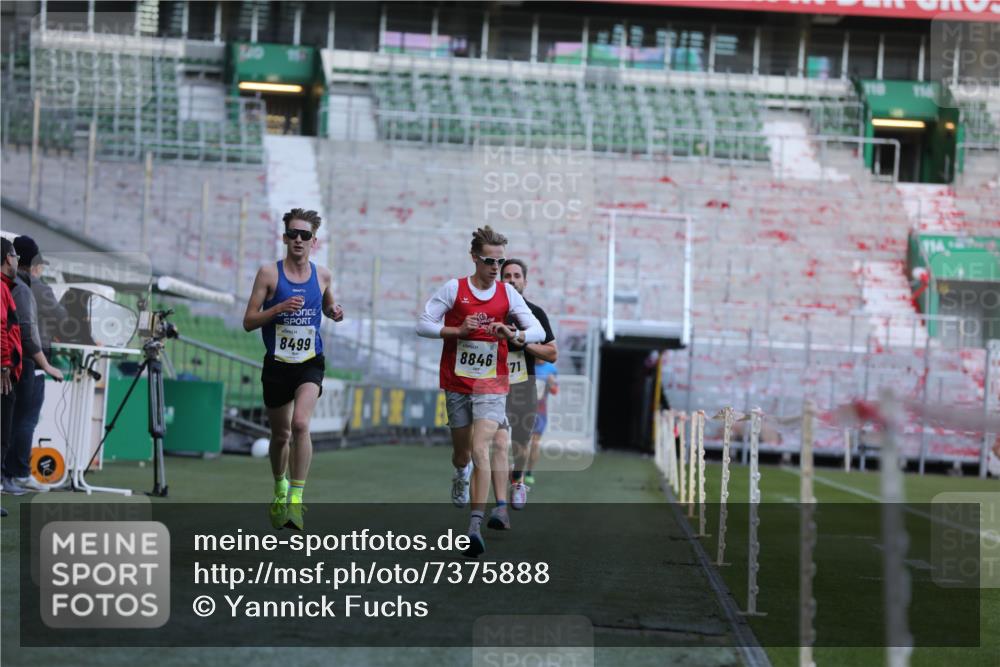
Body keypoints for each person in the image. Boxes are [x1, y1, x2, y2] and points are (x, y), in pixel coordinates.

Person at [416, 226, 544, 558]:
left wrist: (513, 334)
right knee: (462, 455)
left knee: (480, 448)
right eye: (489, 261)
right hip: (457, 383)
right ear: (474, 258)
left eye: (499, 261)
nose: (495, 267)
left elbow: (537, 330)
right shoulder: (454, 289)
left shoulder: (508, 294)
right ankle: (460, 474)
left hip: (492, 383)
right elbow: (423, 324)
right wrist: (456, 330)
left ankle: (474, 527)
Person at [243, 208, 344, 531]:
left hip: (309, 362)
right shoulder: (268, 274)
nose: (298, 239)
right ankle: (279, 487)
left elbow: (327, 305)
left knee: (300, 424)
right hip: (277, 364)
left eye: (305, 235)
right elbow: (249, 321)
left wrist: (334, 311)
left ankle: (296, 500)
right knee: (281, 435)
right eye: (293, 234)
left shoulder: (323, 275)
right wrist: (278, 308)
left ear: (314, 241)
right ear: (285, 238)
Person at [493, 258, 557, 517]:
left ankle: (517, 479)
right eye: (507, 276)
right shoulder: (490, 310)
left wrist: (521, 341)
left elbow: (552, 353)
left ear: (525, 282)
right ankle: (500, 507)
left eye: (516, 276)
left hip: (523, 386)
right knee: (498, 445)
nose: (511, 280)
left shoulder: (535, 314)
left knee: (521, 446)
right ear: (500, 281)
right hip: (494, 386)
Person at [2, 237, 63, 494]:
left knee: (11, 421)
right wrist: (46, 364)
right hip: (23, 362)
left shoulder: (12, 285)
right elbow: (26, 330)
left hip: (13, 362)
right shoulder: (26, 287)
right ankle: (14, 474)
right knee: (21, 421)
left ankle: (9, 475)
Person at [0, 238, 23, 513]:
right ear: (8, 257)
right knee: (2, 435)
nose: (17, 260)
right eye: (15, 255)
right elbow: (1, 326)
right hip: (2, 374)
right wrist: (5, 364)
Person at [525, 360, 559, 487]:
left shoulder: (551, 369)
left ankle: (529, 472)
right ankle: (518, 471)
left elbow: (555, 391)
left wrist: (551, 383)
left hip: (540, 411)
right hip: (523, 410)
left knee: (535, 443)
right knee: (522, 443)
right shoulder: (526, 363)